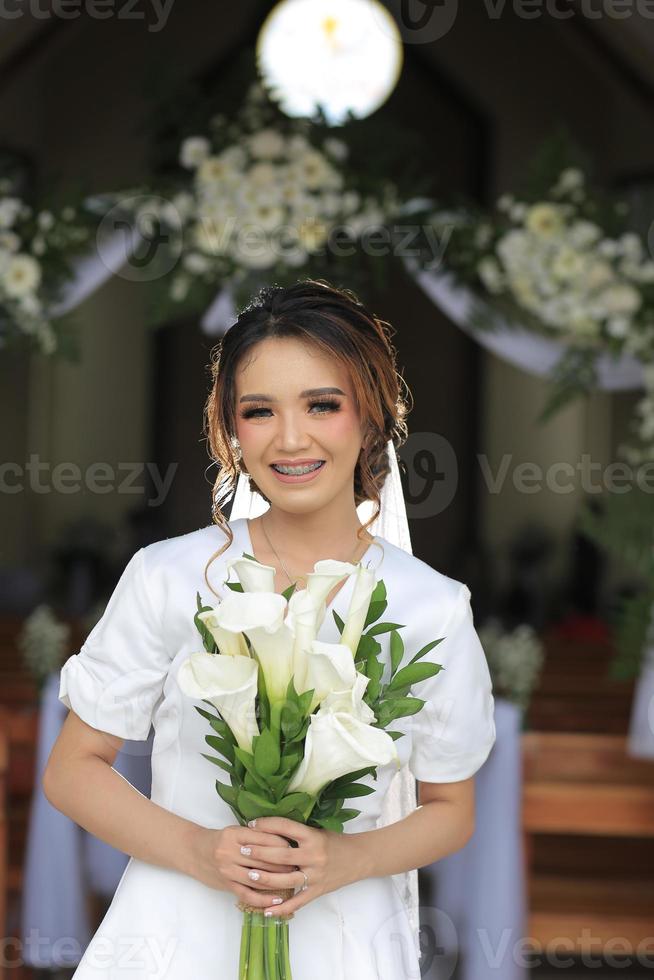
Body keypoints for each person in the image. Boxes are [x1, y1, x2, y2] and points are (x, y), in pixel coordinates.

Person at [44, 278, 496, 979]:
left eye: (323, 404)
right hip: (171, 932)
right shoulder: (168, 576)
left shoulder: (430, 606)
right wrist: (201, 851)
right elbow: (73, 771)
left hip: (344, 936)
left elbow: (451, 806)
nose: (291, 439)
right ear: (231, 428)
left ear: (371, 415)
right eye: (259, 411)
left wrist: (349, 857)